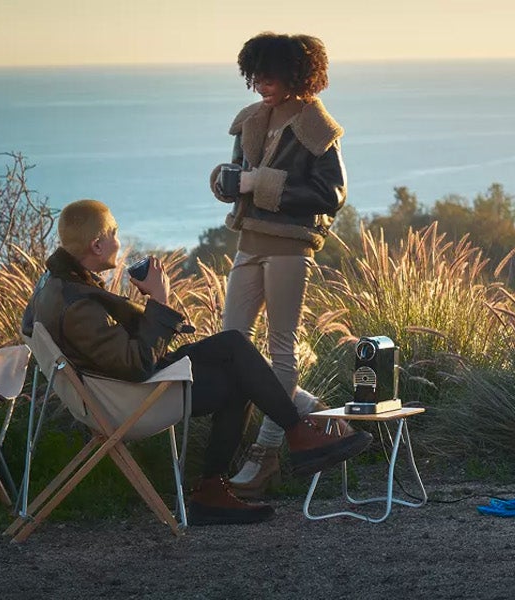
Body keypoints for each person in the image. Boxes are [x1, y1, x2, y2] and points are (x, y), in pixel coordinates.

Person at [23, 199, 369, 526]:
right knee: (237, 372)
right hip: (128, 401)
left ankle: (272, 451)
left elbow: (113, 353)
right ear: (96, 246)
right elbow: (136, 364)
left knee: (234, 347)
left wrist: (150, 311)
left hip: (114, 389)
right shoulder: (77, 304)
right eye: (113, 233)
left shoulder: (54, 286)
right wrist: (159, 302)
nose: (118, 239)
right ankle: (262, 458)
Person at [206, 32, 348, 496]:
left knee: (281, 349)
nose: (262, 83)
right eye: (256, 74)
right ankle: (313, 412)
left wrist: (257, 183)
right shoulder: (251, 119)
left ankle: (263, 455)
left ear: (298, 74)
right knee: (232, 348)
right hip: (249, 243)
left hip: (290, 246)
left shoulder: (316, 126)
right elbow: (238, 178)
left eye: (271, 74)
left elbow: (331, 195)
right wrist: (226, 182)